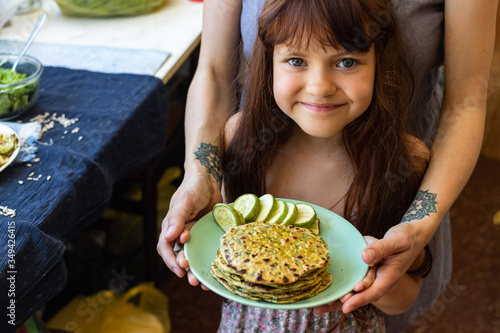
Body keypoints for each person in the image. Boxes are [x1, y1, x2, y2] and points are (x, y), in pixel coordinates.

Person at [157, 0, 498, 331]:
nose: (320, 87)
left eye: (347, 62)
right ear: (268, 63)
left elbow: (467, 100)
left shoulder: (400, 167)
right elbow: (213, 73)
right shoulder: (244, 147)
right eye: (295, 60)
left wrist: (380, 265)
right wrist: (200, 175)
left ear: (381, 64)